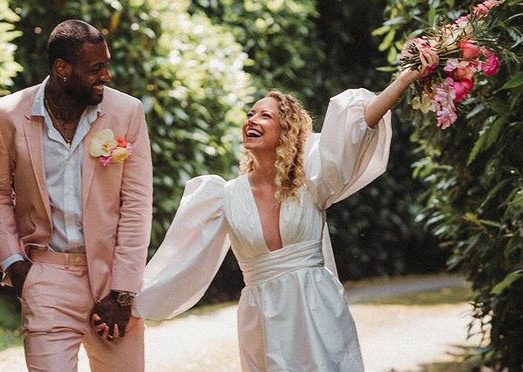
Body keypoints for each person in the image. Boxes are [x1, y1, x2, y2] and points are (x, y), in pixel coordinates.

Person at [132, 43, 438, 371]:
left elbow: (358, 126)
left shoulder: (314, 180)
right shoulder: (223, 197)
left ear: (286, 131)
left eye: (265, 115)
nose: (253, 119)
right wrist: (129, 299)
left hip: (317, 311)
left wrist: (405, 79)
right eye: (251, 113)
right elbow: (179, 256)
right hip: (261, 319)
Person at [0, 19, 153, 372]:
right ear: (62, 69)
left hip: (110, 280)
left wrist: (122, 291)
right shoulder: (6, 115)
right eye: (96, 68)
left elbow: (136, 204)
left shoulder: (126, 111)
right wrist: (14, 263)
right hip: (45, 277)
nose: (106, 75)